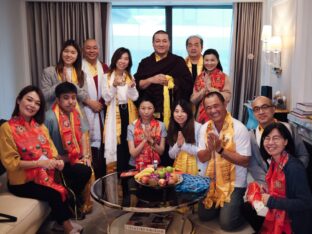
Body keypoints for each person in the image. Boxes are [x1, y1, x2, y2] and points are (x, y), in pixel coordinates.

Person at [0, 85, 83, 234]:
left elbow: (52, 152)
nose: (32, 105)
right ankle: (66, 227)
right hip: (22, 181)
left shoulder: (40, 127)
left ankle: (61, 221)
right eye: (29, 100)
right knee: (55, 193)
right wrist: (40, 163)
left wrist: (57, 161)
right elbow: (11, 163)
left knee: (76, 174)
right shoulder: (6, 128)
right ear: (19, 100)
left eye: (37, 103)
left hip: (44, 173)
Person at [245, 122, 312, 233]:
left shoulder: (294, 168)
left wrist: (271, 201)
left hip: (293, 222)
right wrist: (267, 190)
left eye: (276, 138)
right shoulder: (275, 162)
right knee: (247, 207)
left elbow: (306, 202)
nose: (270, 142)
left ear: (285, 142)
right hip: (280, 211)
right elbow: (280, 189)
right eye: (267, 138)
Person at [197, 91, 251, 231]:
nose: (213, 110)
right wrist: (210, 150)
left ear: (225, 104)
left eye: (216, 106)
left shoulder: (239, 128)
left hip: (234, 182)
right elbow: (202, 158)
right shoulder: (205, 128)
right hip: (213, 180)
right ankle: (225, 207)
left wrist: (220, 150)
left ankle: (241, 208)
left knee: (227, 224)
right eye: (208, 107)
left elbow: (245, 161)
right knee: (204, 216)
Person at [44, 82, 92, 219]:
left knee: (86, 168)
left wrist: (86, 155)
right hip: (56, 162)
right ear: (58, 100)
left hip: (72, 158)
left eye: (73, 97)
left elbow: (83, 134)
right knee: (83, 171)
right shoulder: (50, 118)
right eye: (66, 98)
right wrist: (61, 159)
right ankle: (70, 202)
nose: (71, 102)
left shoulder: (75, 113)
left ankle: (71, 200)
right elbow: (45, 147)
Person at [134, 30, 194, 130]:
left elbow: (188, 84)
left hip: (174, 112)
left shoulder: (178, 61)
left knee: (172, 143)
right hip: (150, 111)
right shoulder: (145, 63)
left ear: (169, 43)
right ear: (153, 44)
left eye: (164, 41)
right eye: (157, 41)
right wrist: (151, 80)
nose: (161, 44)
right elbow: (137, 85)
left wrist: (173, 82)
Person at [248, 96, 309, 185]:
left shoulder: (289, 128)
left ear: (273, 109)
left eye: (265, 107)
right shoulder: (251, 136)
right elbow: (253, 165)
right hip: (266, 184)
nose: (261, 112)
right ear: (253, 113)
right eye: (256, 109)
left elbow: (303, 155)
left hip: (292, 181)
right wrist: (268, 184)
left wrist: (293, 173)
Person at [101, 47, 138, 174]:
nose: (123, 61)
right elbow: (106, 98)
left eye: (126, 59)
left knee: (128, 144)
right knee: (117, 146)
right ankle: (117, 180)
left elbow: (135, 97)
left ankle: (126, 182)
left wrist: (132, 87)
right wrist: (114, 85)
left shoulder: (129, 76)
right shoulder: (106, 77)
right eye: (120, 58)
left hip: (128, 112)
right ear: (115, 59)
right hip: (113, 114)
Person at [40, 39, 94, 125]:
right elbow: (44, 96)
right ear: (61, 53)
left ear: (77, 56)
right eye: (66, 51)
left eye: (73, 52)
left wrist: (71, 84)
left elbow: (85, 96)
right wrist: (60, 84)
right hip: (55, 118)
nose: (69, 55)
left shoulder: (81, 74)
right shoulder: (49, 71)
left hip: (78, 118)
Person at [82, 38, 109, 179]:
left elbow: (109, 89)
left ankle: (101, 181)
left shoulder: (104, 67)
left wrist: (100, 103)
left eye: (94, 48)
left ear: (99, 50)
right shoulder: (78, 68)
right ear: (83, 50)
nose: (92, 51)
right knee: (87, 146)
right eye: (88, 48)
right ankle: (89, 182)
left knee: (101, 150)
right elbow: (75, 91)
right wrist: (89, 102)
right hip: (84, 110)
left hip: (101, 111)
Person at [190, 49, 231, 124]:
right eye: (206, 60)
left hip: (218, 113)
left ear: (217, 61)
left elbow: (227, 96)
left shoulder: (224, 77)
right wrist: (203, 91)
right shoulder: (199, 77)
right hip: (200, 115)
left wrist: (212, 90)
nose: (209, 63)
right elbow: (193, 99)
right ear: (203, 61)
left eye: (212, 60)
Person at [127, 97, 167, 169]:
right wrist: (145, 140)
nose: (146, 112)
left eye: (149, 108)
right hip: (135, 166)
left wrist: (151, 140)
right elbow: (133, 153)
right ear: (138, 110)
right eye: (143, 108)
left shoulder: (161, 125)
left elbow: (161, 151)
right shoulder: (131, 127)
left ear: (154, 109)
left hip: (155, 165)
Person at [167, 99, 202, 175]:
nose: (179, 114)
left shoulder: (198, 128)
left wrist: (184, 145)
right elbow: (171, 155)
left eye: (183, 111)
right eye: (176, 111)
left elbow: (202, 152)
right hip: (178, 171)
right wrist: (178, 145)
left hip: (196, 171)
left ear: (188, 113)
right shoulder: (173, 128)